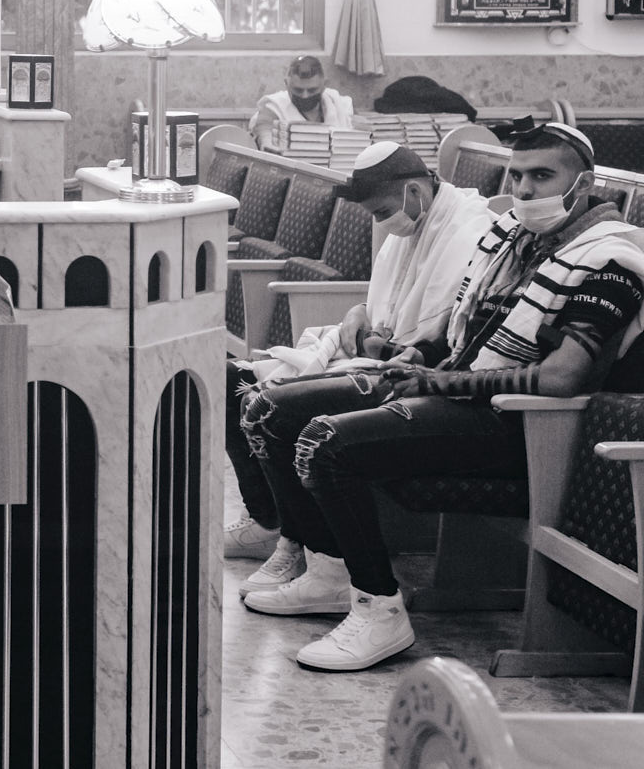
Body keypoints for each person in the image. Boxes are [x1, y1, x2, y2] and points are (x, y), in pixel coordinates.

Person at [237, 124, 644, 672]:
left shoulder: (611, 258)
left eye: (542, 176)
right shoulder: (512, 237)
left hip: (522, 428)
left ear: (585, 183)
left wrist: (442, 383)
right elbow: (464, 328)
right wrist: (421, 356)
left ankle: (380, 610)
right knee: (271, 410)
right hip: (459, 394)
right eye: (516, 176)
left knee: (325, 443)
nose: (524, 190)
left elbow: (562, 378)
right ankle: (328, 571)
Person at [223, 142, 492, 580]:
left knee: (266, 405)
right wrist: (357, 313)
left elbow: (434, 336)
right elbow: (385, 304)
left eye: (383, 211)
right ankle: (269, 521)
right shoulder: (415, 220)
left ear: (414, 191)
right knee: (229, 379)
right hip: (370, 354)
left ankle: (307, 548)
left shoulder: (469, 231)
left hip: (409, 373)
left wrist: (375, 341)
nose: (382, 223)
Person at [249, 54, 354, 152]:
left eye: (312, 90)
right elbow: (266, 140)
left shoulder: (339, 103)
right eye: (298, 90)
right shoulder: (273, 108)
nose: (305, 96)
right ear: (287, 84)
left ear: (324, 85)